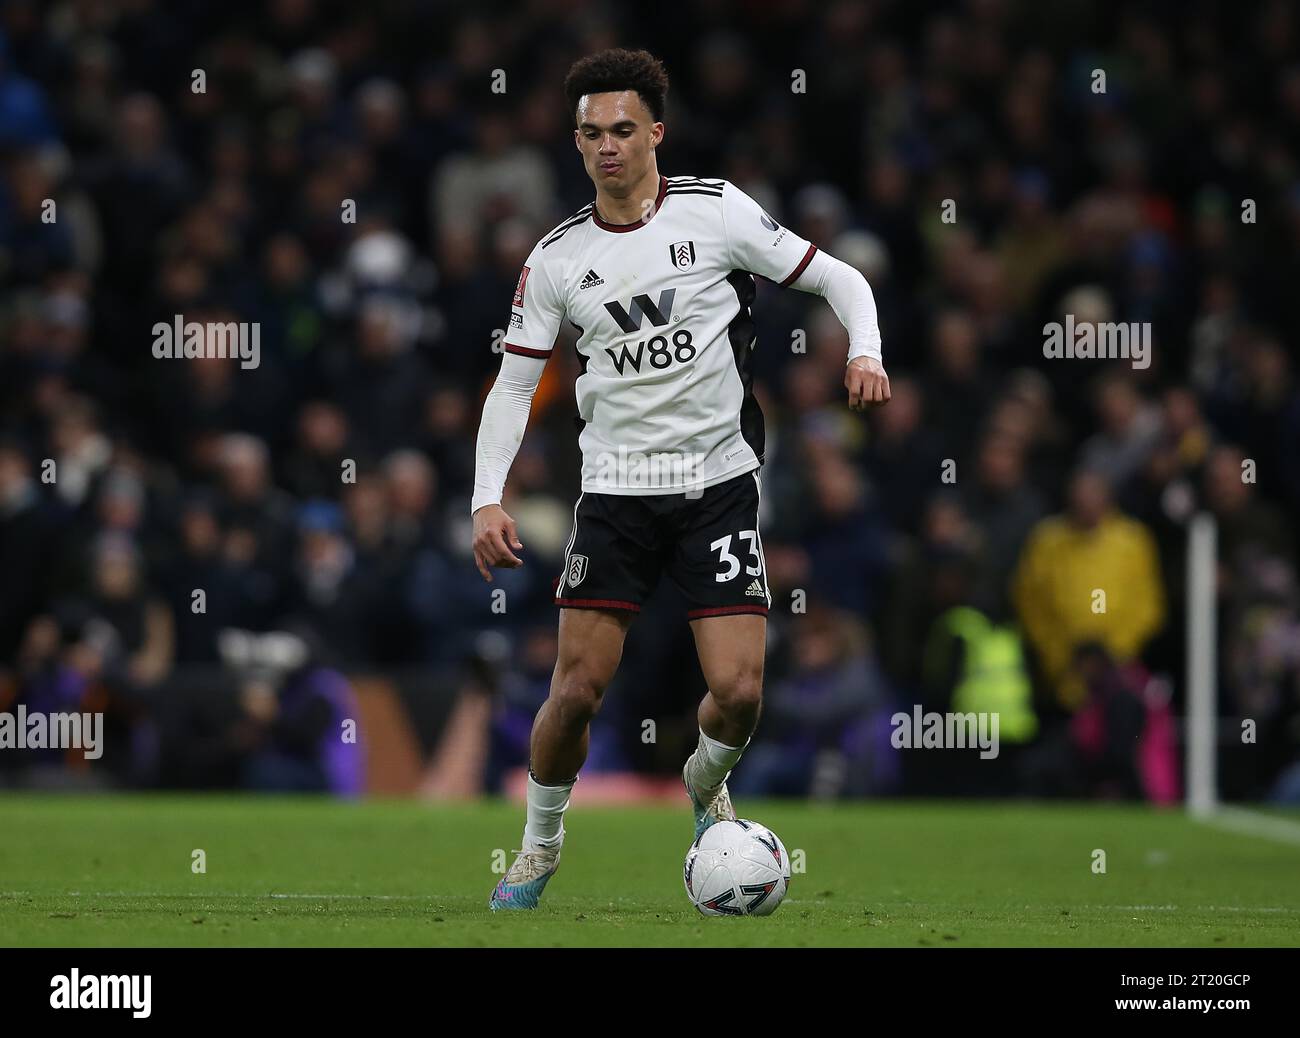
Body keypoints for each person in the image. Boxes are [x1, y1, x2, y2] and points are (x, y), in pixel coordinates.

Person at [470, 49, 890, 910]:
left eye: (623, 129)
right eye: (591, 134)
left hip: (717, 485)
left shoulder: (718, 213)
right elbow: (514, 385)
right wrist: (486, 498)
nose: (608, 147)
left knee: (738, 694)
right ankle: (538, 848)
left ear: (655, 131)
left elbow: (840, 277)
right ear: (577, 144)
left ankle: (705, 786)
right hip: (616, 495)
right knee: (575, 692)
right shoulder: (554, 259)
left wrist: (867, 349)